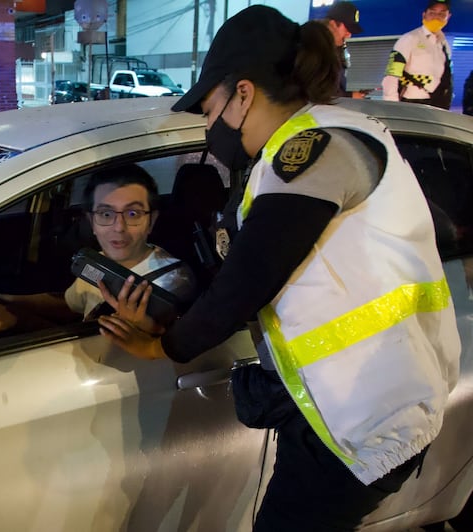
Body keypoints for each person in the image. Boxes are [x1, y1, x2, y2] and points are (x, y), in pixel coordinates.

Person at [96, 5, 460, 531]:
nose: (206, 123)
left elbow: (249, 277)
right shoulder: (312, 142)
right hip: (347, 407)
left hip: (363, 416)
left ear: (243, 93)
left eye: (209, 105)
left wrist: (162, 347)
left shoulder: (315, 148)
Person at [0, 164, 196, 346]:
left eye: (133, 214)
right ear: (92, 223)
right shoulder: (98, 262)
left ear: (151, 221)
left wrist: (14, 319)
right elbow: (69, 305)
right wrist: (4, 299)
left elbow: (99, 347)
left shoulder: (169, 282)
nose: (118, 227)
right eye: (106, 214)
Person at [382, 0, 453, 109]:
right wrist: (392, 107)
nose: (436, 17)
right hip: (412, 103)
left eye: (442, 14)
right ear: (424, 15)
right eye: (432, 13)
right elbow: (391, 75)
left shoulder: (444, 44)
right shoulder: (410, 39)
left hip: (437, 104)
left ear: (448, 17)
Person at [320, 1, 368, 98]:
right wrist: (350, 96)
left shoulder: (336, 49)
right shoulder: (315, 49)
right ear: (333, 24)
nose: (349, 35)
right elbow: (319, 92)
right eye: (347, 29)